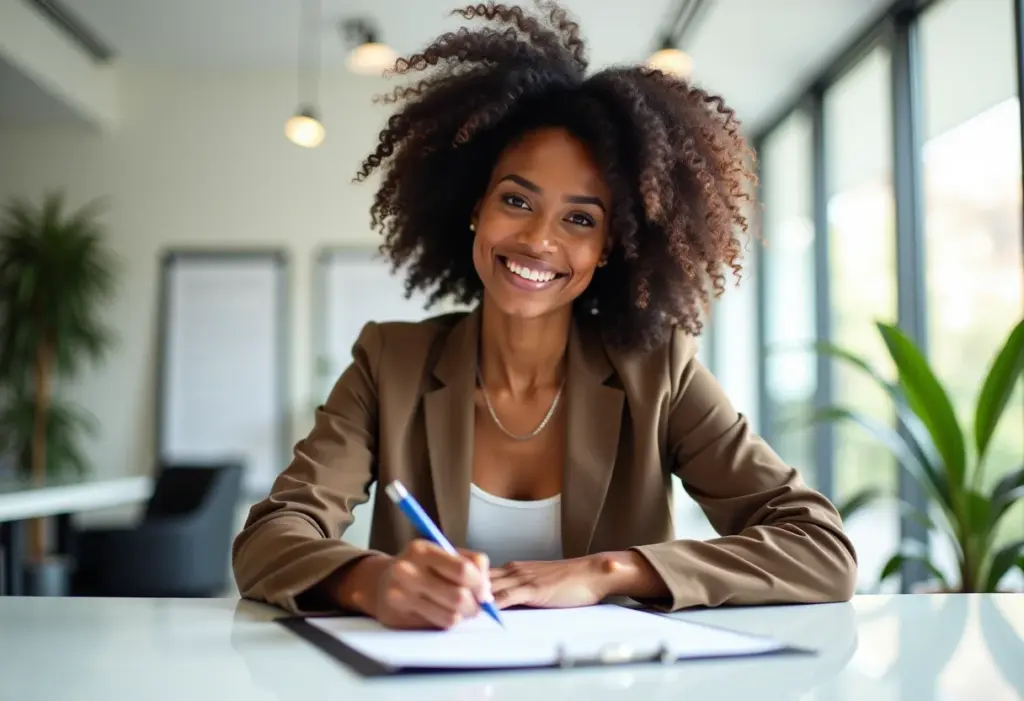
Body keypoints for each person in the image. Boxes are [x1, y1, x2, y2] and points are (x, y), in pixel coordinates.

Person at [232, 0, 857, 630]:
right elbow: (269, 537)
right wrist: (372, 581)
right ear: (476, 206)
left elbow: (821, 550)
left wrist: (608, 572)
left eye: (580, 218)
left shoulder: (657, 372)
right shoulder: (388, 364)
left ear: (612, 245)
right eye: (516, 200)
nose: (538, 240)